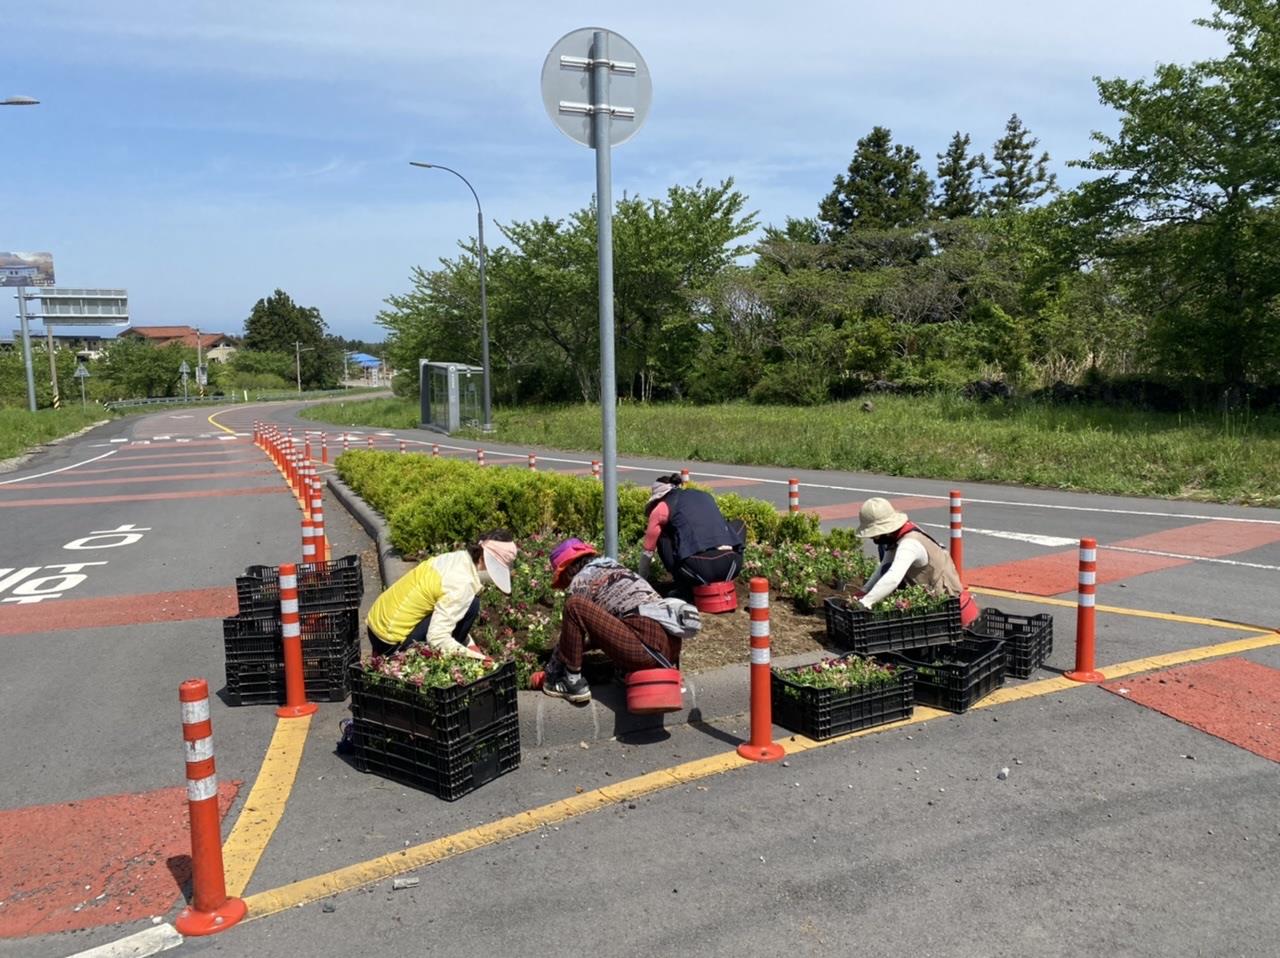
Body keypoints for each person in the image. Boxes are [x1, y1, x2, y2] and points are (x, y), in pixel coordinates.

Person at [542, 538, 697, 704]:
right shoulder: (614, 568)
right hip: (671, 647)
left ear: (569, 569)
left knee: (574, 606)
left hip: (644, 648)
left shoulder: (582, 578)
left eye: (563, 578)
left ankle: (572, 682)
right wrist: (578, 646)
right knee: (623, 621)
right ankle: (625, 672)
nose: (566, 585)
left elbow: (576, 618)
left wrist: (551, 672)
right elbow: (602, 630)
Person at [365, 528, 517, 659]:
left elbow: (446, 612)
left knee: (469, 605)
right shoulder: (462, 584)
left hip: (376, 627)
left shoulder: (457, 559)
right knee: (472, 605)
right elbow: (437, 638)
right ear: (484, 558)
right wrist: (477, 658)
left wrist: (469, 645)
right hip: (390, 643)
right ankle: (401, 659)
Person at [855, 498, 980, 627]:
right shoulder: (899, 535)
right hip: (936, 606)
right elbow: (884, 568)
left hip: (951, 610)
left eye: (873, 534)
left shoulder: (909, 544)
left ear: (884, 530)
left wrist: (866, 603)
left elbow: (893, 577)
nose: (872, 538)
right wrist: (864, 592)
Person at [639, 474, 745, 592]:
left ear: (659, 496)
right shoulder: (704, 495)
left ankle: (683, 588)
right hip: (732, 566)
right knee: (738, 525)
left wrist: (640, 581)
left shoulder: (662, 507)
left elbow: (647, 552)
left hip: (699, 571)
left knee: (661, 535)